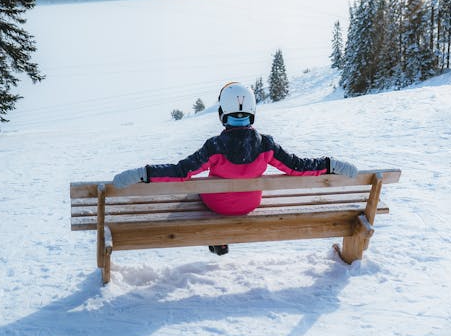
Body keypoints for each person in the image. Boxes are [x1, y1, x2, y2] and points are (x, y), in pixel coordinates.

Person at [112, 81, 358, 255]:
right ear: (251, 114)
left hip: (216, 205)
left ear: (222, 115)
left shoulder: (215, 146)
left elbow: (180, 171)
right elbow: (298, 167)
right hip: (250, 204)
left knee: (200, 188)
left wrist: (142, 173)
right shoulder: (267, 145)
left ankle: (217, 238)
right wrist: (330, 164)